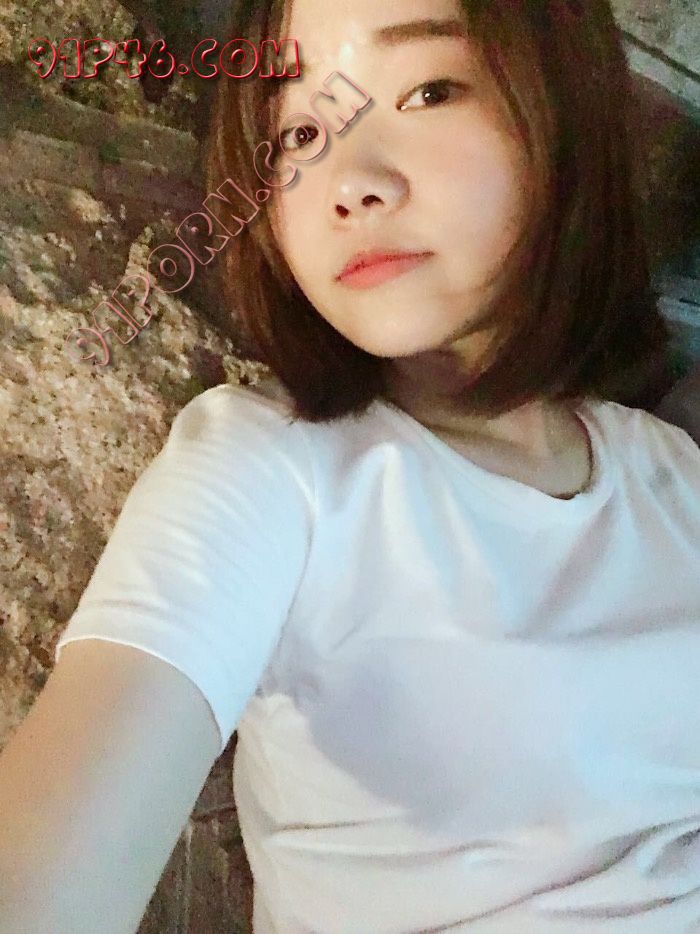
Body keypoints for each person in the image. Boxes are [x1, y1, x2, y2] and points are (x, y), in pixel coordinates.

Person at [1, 0, 699, 931]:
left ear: (568, 116)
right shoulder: (270, 470)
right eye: (298, 133)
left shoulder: (672, 472)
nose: (349, 182)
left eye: (429, 90)